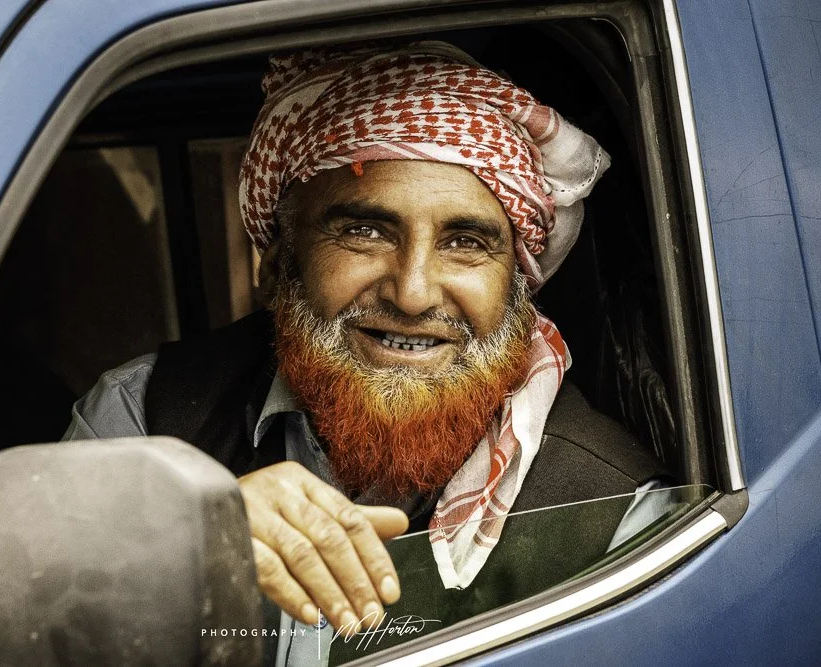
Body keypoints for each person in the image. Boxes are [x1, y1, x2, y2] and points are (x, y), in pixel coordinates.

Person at [63, 41, 668, 661]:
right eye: (364, 231)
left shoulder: (623, 518)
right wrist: (170, 551)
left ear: (518, 283)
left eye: (464, 242)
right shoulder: (144, 418)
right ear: (276, 263)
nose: (412, 293)